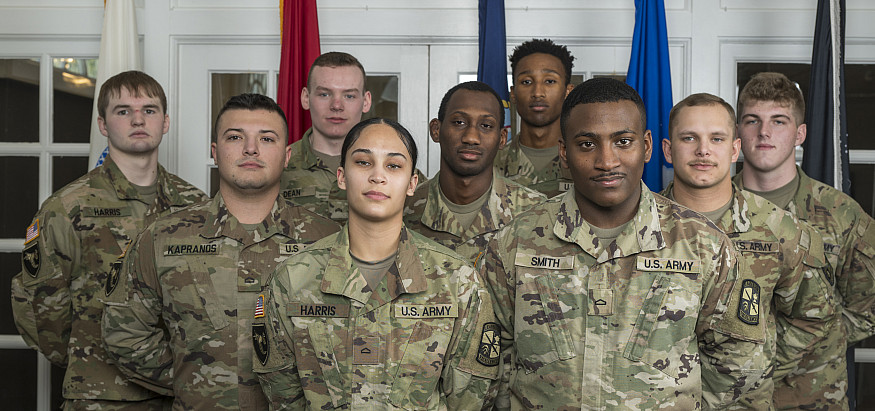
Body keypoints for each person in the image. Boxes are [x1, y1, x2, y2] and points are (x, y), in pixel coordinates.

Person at [480, 78, 767, 409]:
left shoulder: (705, 246)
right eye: (587, 144)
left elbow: (738, 373)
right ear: (564, 151)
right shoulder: (515, 243)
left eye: (623, 142)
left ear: (646, 147)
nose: (607, 161)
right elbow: (488, 367)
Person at [101, 94, 340, 410]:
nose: (250, 148)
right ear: (215, 152)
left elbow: (352, 338)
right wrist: (197, 379)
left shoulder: (329, 240)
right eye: (235, 137)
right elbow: (125, 334)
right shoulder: (162, 237)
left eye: (266, 139)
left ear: (287, 155)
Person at [253, 118, 499, 410]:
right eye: (363, 162)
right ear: (342, 177)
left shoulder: (457, 281)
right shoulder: (291, 279)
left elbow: (470, 398)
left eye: (393, 165)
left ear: (412, 183)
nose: (378, 176)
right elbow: (283, 395)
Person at [9, 70, 205, 410]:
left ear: (166, 121)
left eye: (149, 109)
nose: (138, 119)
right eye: (123, 111)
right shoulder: (67, 207)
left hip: (181, 393)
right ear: (103, 125)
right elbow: (40, 310)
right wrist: (89, 357)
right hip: (100, 396)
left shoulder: (195, 204)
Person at [661, 92, 836, 409]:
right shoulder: (638, 228)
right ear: (667, 150)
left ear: (734, 149)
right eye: (689, 138)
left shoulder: (782, 231)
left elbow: (812, 318)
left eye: (717, 138)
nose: (703, 150)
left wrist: (755, 369)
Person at [733, 72, 875, 409]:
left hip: (813, 396)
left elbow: (869, 305)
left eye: (778, 121)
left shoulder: (841, 214)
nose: (764, 132)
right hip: (728, 395)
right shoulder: (708, 210)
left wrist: (821, 335)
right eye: (752, 120)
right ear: (738, 132)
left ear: (800, 134)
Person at [404, 81, 545, 263]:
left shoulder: (537, 213)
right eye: (459, 122)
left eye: (486, 126)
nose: (471, 137)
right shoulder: (402, 210)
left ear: (502, 138)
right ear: (436, 130)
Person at [280, 51, 426, 223]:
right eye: (324, 94)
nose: (336, 105)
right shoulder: (279, 167)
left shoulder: (400, 172)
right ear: (306, 98)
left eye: (349, 96)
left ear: (366, 101)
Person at [493, 38, 575, 198]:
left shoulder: (586, 163)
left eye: (550, 81)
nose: (538, 92)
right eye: (527, 81)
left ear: (568, 92)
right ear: (513, 93)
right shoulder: (488, 164)